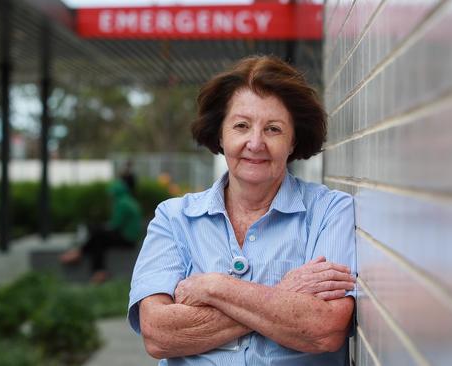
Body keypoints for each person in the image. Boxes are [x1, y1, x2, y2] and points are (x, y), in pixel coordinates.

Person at [128, 55, 357, 365]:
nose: (255, 143)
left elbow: (324, 329)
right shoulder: (173, 218)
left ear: (293, 140)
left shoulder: (330, 211)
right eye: (241, 126)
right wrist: (283, 293)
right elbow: (157, 334)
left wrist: (214, 287)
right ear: (221, 135)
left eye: (273, 129)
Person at [61, 179, 143, 283]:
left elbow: (115, 225)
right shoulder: (128, 201)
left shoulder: (122, 203)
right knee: (98, 240)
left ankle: (81, 254)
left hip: (127, 239)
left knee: (97, 235)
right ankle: (98, 270)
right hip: (129, 237)